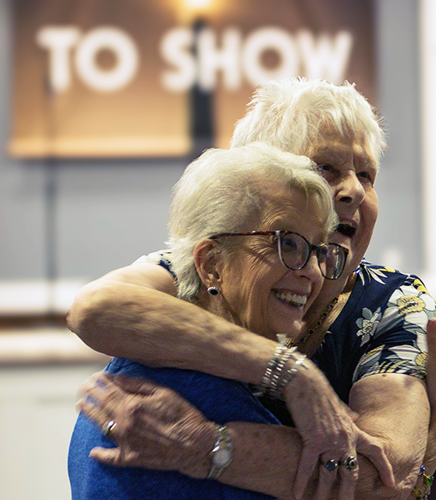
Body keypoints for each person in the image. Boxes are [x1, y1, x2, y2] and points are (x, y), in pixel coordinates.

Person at [67, 78, 436, 499]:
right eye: (325, 169)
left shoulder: (392, 301)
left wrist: (208, 446)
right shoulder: (201, 267)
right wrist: (291, 373)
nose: (354, 190)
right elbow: (94, 309)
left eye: (367, 174)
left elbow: (384, 475)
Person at [71, 142, 388, 499]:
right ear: (211, 264)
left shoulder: (161, 371)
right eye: (288, 243)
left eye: (319, 251)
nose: (313, 272)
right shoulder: (181, 405)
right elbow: (376, 486)